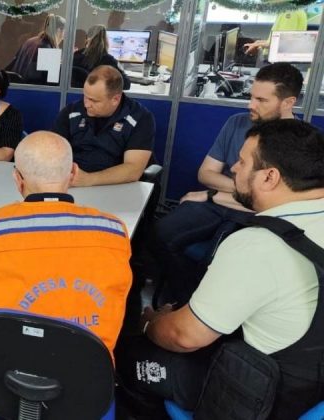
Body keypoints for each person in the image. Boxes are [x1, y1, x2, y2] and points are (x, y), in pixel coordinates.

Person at [117, 119, 324, 419]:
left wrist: (149, 323)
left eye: (242, 162)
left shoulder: (259, 246)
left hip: (261, 394)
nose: (235, 169)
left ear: (269, 177)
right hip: (311, 390)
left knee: (122, 353)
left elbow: (184, 337)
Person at [0, 131, 133, 419]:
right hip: (85, 392)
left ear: (17, 179)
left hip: (1, 385)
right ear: (72, 173)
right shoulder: (115, 230)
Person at [152, 63, 303, 304]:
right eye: (252, 97)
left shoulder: (301, 142)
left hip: (254, 215)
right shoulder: (237, 122)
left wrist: (211, 194)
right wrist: (242, 190)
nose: (251, 105)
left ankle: (196, 311)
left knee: (217, 259)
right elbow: (206, 173)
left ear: (288, 102)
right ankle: (184, 303)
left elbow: (275, 203)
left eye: (262, 100)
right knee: (159, 233)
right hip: (221, 203)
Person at [52, 65, 154, 186]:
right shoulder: (72, 112)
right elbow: (52, 151)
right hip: (73, 182)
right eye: (85, 96)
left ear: (115, 99)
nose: (86, 104)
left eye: (94, 100)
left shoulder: (139, 118)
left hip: (117, 186)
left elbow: (133, 170)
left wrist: (89, 179)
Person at [5, 14, 66, 85]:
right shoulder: (48, 50)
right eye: (65, 32)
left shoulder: (30, 41)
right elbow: (52, 83)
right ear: (59, 31)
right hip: (32, 92)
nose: (64, 37)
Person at [73, 25, 131, 90]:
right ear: (106, 41)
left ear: (87, 39)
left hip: (74, 96)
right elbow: (126, 84)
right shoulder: (109, 61)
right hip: (98, 97)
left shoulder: (76, 56)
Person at [243, 9, 307, 56]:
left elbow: (283, 42)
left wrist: (257, 45)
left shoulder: (289, 12)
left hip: (280, 61)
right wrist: (259, 43)